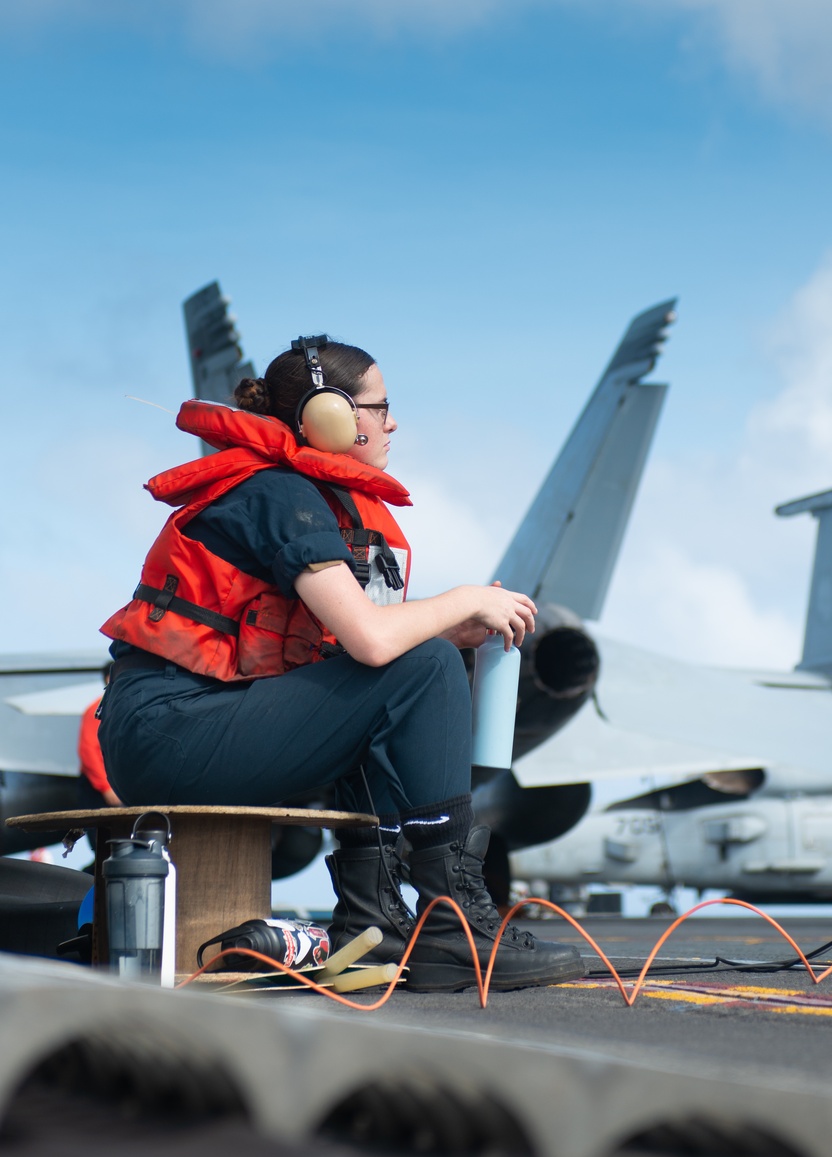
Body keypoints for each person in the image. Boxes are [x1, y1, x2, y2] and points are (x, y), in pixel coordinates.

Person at [97, 334, 583, 993]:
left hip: (183, 728)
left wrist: (456, 627)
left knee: (425, 662)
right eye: (382, 407)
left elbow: (350, 659)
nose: (393, 422)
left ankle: (372, 917)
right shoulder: (279, 496)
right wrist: (461, 601)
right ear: (332, 417)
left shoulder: (301, 497)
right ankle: (452, 926)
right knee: (426, 663)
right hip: (170, 732)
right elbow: (372, 642)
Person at [78, 662, 122, 809]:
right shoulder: (96, 710)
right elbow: (88, 750)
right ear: (109, 678)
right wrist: (105, 787)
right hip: (102, 789)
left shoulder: (126, 707)